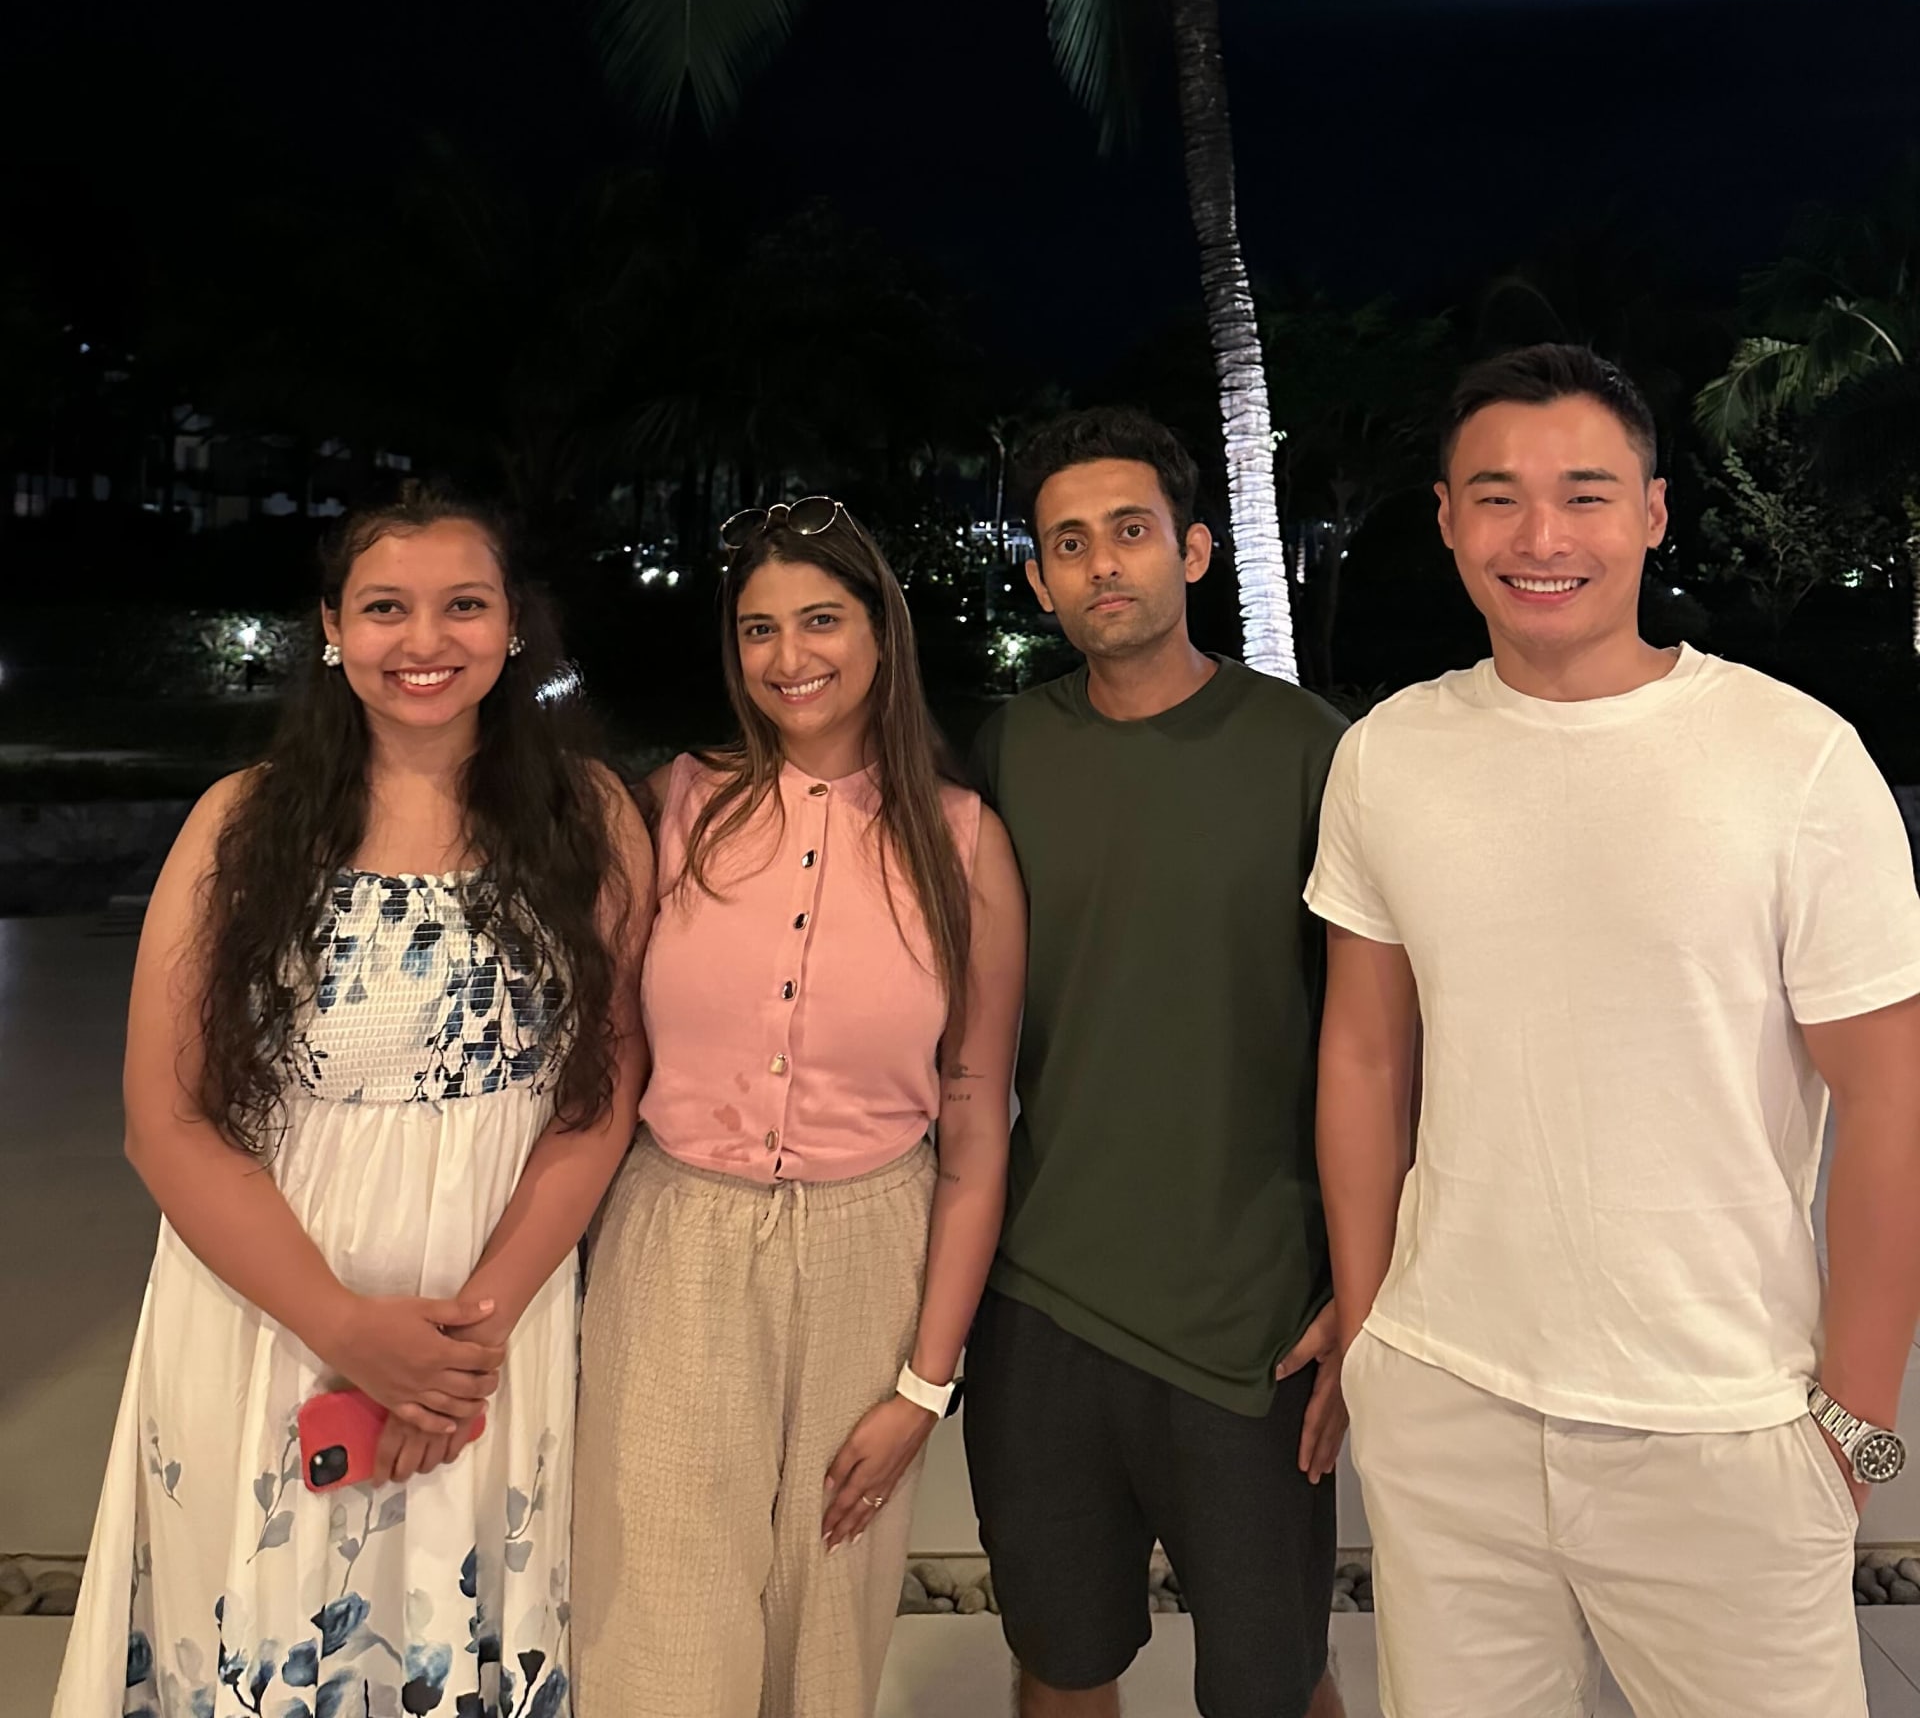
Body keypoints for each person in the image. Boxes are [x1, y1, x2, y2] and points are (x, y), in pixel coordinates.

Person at [1312, 341, 1920, 1718]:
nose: (1541, 538)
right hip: (1450, 1399)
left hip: (1722, 1418)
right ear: (1447, 518)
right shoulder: (1389, 755)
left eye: (1584, 494)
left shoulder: (1795, 759)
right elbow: (1364, 1052)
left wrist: (1859, 1424)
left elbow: (1891, 1099)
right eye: (1497, 496)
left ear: (1650, 512)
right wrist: (1372, 1327)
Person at [56, 486, 651, 1718]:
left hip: (493, 1316)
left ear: (513, 625)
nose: (424, 640)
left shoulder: (589, 816)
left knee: (456, 1628)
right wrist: (344, 1325)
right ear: (333, 627)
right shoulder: (243, 820)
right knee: (267, 1627)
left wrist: (462, 1347)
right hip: (272, 1306)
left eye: (463, 605)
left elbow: (601, 1094)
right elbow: (163, 1118)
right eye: (385, 607)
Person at [571, 495, 1026, 1718]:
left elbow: (973, 1131)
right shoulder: (674, 808)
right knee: (659, 1622)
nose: (789, 656)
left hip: (871, 1249)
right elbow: (599, 1064)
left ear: (881, 632)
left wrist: (923, 1383)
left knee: (827, 1630)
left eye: (821, 619)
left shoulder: (963, 842)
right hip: (676, 1240)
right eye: (759, 627)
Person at [964, 407, 1349, 1718]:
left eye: (1129, 530)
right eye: (1068, 543)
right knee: (1061, 1661)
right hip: (1040, 1301)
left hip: (1252, 1319)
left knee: (1277, 1681)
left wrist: (1364, 1287)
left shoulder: (1309, 751)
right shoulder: (1005, 754)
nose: (1101, 563)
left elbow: (1386, 1046)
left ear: (1192, 551)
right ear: (1039, 580)